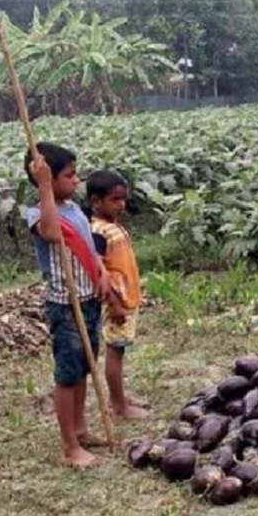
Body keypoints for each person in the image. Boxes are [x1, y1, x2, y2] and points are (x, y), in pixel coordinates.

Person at [24, 142, 116, 469]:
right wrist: (46, 186)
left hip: (88, 300)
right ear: (46, 178)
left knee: (85, 366)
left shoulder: (76, 210)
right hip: (65, 306)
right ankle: (69, 445)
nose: (76, 181)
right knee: (68, 373)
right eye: (69, 175)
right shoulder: (39, 213)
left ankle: (80, 429)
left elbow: (91, 249)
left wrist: (102, 272)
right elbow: (51, 232)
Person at [86, 169, 150, 421]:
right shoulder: (98, 231)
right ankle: (118, 405)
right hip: (117, 302)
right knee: (115, 352)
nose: (122, 204)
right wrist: (113, 303)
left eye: (123, 199)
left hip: (127, 298)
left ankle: (120, 396)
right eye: (115, 199)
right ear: (95, 201)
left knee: (120, 351)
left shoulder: (111, 226)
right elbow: (98, 271)